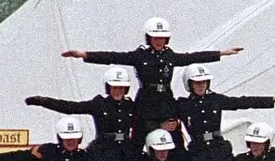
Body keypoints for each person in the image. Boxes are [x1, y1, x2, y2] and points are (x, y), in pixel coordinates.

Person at [62, 16, 244, 128]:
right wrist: (84, 55)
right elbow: (114, 56)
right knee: (139, 132)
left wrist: (221, 53)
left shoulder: (170, 55)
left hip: (166, 98)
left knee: (175, 133)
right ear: (149, 38)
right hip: (146, 99)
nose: (159, 41)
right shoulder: (140, 55)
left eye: (162, 37)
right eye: (155, 37)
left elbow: (192, 57)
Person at [175, 63, 275, 161]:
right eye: (197, 82)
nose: (201, 85)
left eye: (204, 82)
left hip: (219, 149)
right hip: (198, 152)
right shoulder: (183, 105)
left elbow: (240, 102)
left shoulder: (215, 100)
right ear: (189, 84)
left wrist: (270, 100)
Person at [23, 67, 140, 161]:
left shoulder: (131, 106)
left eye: (121, 88)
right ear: (108, 88)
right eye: (115, 87)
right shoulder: (99, 104)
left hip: (125, 154)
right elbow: (71, 107)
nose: (118, 91)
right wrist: (43, 101)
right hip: (102, 154)